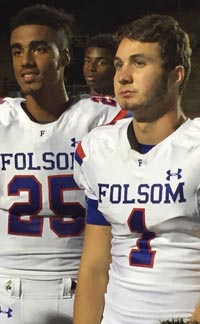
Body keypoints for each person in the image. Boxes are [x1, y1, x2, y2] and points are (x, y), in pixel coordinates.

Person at [0, 4, 129, 324]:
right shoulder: (3, 117)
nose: (26, 61)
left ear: (66, 57)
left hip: (84, 282)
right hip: (7, 282)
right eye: (17, 52)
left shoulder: (106, 116)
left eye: (39, 48)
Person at [73, 14, 200, 324]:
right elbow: (93, 266)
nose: (123, 76)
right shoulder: (99, 148)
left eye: (139, 63)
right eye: (119, 64)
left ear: (176, 75)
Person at [83, 33, 116, 97]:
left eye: (101, 63)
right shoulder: (75, 104)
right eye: (87, 61)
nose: (91, 68)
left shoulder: (126, 105)